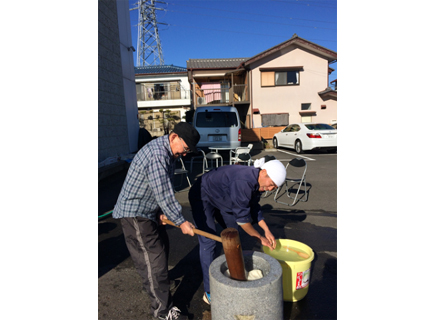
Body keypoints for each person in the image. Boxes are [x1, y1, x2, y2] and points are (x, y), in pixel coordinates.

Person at [112, 122, 200, 320]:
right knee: (154, 262)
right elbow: (164, 192)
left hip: (149, 210)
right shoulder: (158, 154)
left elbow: (161, 187)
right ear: (174, 137)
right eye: (185, 149)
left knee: (162, 249)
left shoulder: (170, 153)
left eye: (188, 151)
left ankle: (160, 288)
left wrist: (161, 213)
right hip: (135, 212)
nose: (185, 154)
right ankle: (162, 312)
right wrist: (180, 221)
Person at [188, 158, 287, 305]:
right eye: (271, 184)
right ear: (264, 172)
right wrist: (260, 237)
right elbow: (243, 220)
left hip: (222, 197)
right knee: (209, 242)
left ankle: (234, 268)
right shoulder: (244, 182)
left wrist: (267, 230)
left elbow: (254, 207)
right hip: (202, 195)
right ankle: (209, 292)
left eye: (275, 187)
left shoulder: (257, 182)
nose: (271, 189)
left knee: (233, 232)